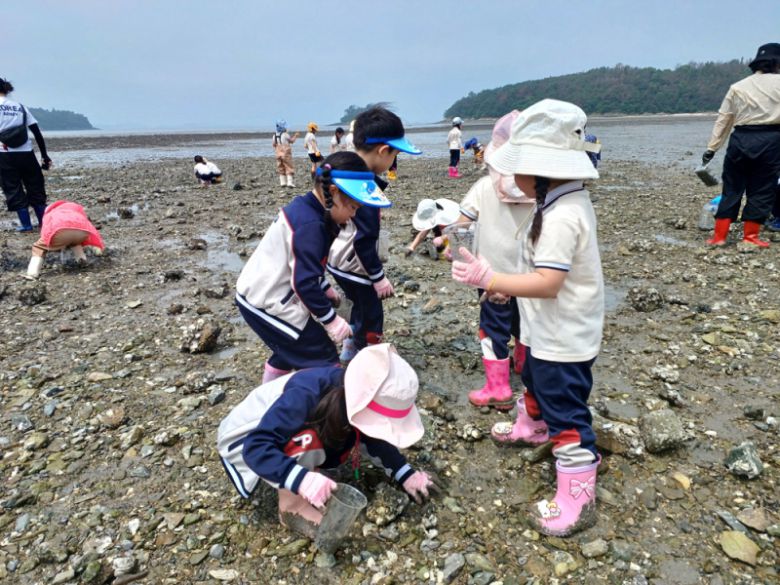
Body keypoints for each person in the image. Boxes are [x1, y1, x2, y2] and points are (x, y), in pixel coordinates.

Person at [452, 99, 603, 537]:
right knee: (530, 373)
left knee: (565, 407)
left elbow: (549, 282)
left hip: (563, 335)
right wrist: (502, 284)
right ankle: (532, 424)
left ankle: (578, 494)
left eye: (514, 166)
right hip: (544, 330)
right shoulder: (558, 200)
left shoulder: (562, 216)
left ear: (540, 170)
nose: (507, 177)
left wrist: (491, 275)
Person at [217, 343, 438, 536]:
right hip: (243, 440)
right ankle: (291, 509)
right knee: (305, 440)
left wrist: (404, 472)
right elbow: (256, 446)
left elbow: (374, 437)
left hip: (279, 434)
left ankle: (303, 472)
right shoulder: (306, 395)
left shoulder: (353, 393)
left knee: (317, 438)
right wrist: (301, 479)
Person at [236, 151, 390, 384]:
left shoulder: (308, 208)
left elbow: (301, 263)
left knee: (294, 344)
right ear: (334, 192)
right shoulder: (312, 225)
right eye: (352, 207)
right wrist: (332, 321)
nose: (353, 216)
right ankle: (313, 409)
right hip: (265, 299)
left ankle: (269, 391)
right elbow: (303, 282)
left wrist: (325, 287)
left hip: (259, 290)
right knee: (323, 355)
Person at [327, 107, 422, 362]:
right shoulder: (364, 188)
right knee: (372, 313)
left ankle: (350, 345)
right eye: (395, 155)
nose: (393, 162)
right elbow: (364, 239)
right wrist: (378, 278)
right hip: (356, 266)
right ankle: (369, 356)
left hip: (336, 260)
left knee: (356, 304)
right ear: (383, 151)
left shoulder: (342, 169)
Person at [456, 111, 536, 410]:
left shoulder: (483, 188)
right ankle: (525, 370)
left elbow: (460, 226)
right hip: (532, 278)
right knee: (526, 324)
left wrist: (451, 249)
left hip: (490, 275)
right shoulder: (539, 191)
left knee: (492, 330)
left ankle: (499, 388)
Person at [702, 43, 780, 247]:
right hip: (770, 139)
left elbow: (724, 119)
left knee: (732, 187)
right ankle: (750, 237)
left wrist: (711, 149)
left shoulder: (737, 86)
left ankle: (719, 237)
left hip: (740, 138)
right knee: (761, 188)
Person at [0, 77, 52, 232]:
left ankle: (27, 225)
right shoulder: (20, 107)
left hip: (5, 154)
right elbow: (36, 132)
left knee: (12, 188)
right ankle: (44, 224)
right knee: (35, 186)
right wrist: (44, 155)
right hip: (27, 153)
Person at [24, 200, 105, 279]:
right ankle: (82, 260)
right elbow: (86, 221)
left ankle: (32, 273)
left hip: (60, 228)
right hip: (83, 230)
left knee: (39, 247)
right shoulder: (75, 209)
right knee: (75, 242)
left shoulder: (51, 213)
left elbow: (45, 232)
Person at [273, 120, 299, 188]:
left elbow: (273, 144)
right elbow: (292, 141)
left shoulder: (274, 135)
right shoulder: (285, 135)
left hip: (278, 153)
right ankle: (289, 182)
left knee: (280, 167)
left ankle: (282, 182)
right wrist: (296, 136)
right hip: (285, 153)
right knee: (288, 166)